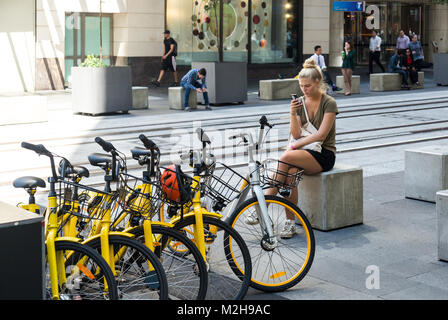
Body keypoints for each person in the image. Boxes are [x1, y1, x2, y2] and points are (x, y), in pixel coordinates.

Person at [265, 58, 339, 238]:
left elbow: (321, 135)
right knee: (290, 173)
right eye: (301, 86)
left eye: (307, 86)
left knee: (285, 157)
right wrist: (292, 112)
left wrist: (294, 146)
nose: (304, 90)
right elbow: (296, 133)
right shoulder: (299, 102)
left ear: (317, 82)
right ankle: (290, 223)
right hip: (303, 152)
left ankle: (262, 206)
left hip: (323, 154)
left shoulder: (329, 103)